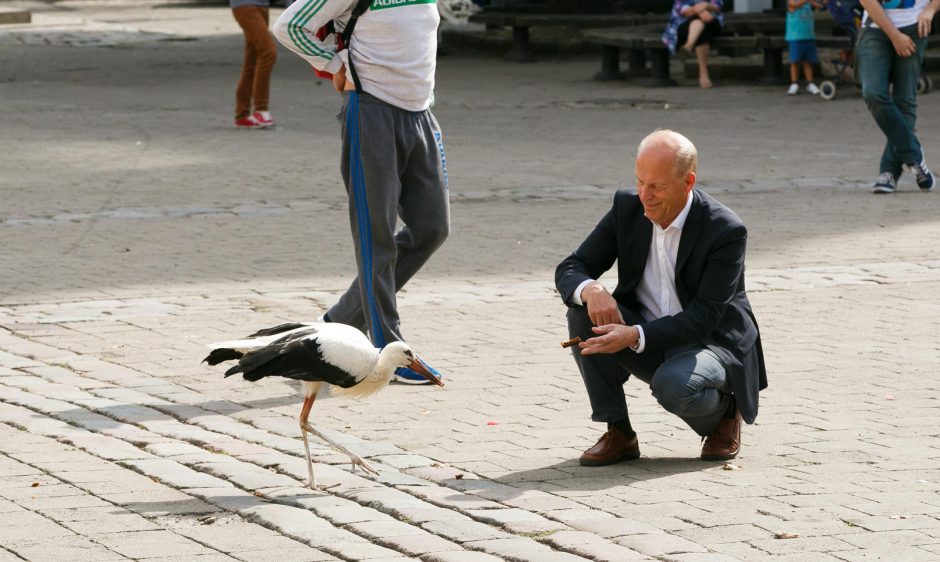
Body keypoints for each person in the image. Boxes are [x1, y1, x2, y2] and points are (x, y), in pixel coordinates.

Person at [555, 130, 767, 465]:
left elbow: (706, 316)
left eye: (657, 186)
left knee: (674, 386)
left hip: (709, 342)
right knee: (582, 314)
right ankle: (619, 433)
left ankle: (725, 413)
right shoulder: (627, 208)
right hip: (647, 331)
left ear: (688, 182)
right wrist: (591, 289)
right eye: (640, 182)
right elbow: (572, 266)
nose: (645, 195)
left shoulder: (725, 229)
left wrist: (635, 335)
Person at [273, 0, 449, 383]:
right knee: (376, 238)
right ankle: (388, 352)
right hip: (371, 113)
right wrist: (338, 66)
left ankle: (339, 321)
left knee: (432, 228)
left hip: (420, 115)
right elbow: (290, 25)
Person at [859, 0, 938, 194]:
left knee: (904, 101)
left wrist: (930, 9)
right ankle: (914, 154)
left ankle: (889, 172)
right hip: (875, 29)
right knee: (873, 93)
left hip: (914, 27)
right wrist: (894, 35)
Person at [231, 0, 283, 129]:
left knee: (252, 60)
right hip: (245, 6)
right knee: (268, 53)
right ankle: (261, 109)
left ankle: (242, 115)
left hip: (263, 6)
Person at [662, 0, 724, 88]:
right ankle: (703, 75)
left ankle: (688, 46)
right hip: (686, 23)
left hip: (711, 22)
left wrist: (707, 5)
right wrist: (701, 11)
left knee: (704, 25)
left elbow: (717, 7)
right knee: (701, 29)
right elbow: (683, 10)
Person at [786, 0, 824, 95]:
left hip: (809, 36)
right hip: (795, 37)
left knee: (808, 62)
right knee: (794, 61)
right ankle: (794, 83)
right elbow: (793, 4)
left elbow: (820, 6)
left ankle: (810, 83)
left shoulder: (809, 4)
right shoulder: (792, 3)